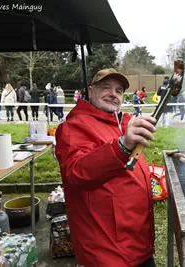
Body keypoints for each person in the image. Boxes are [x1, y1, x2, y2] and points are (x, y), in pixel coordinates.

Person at [54, 68, 156, 267]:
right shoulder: (74, 127)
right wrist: (122, 145)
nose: (113, 94)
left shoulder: (122, 123)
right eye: (106, 87)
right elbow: (76, 171)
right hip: (108, 251)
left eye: (118, 90)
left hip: (138, 242)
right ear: (90, 92)